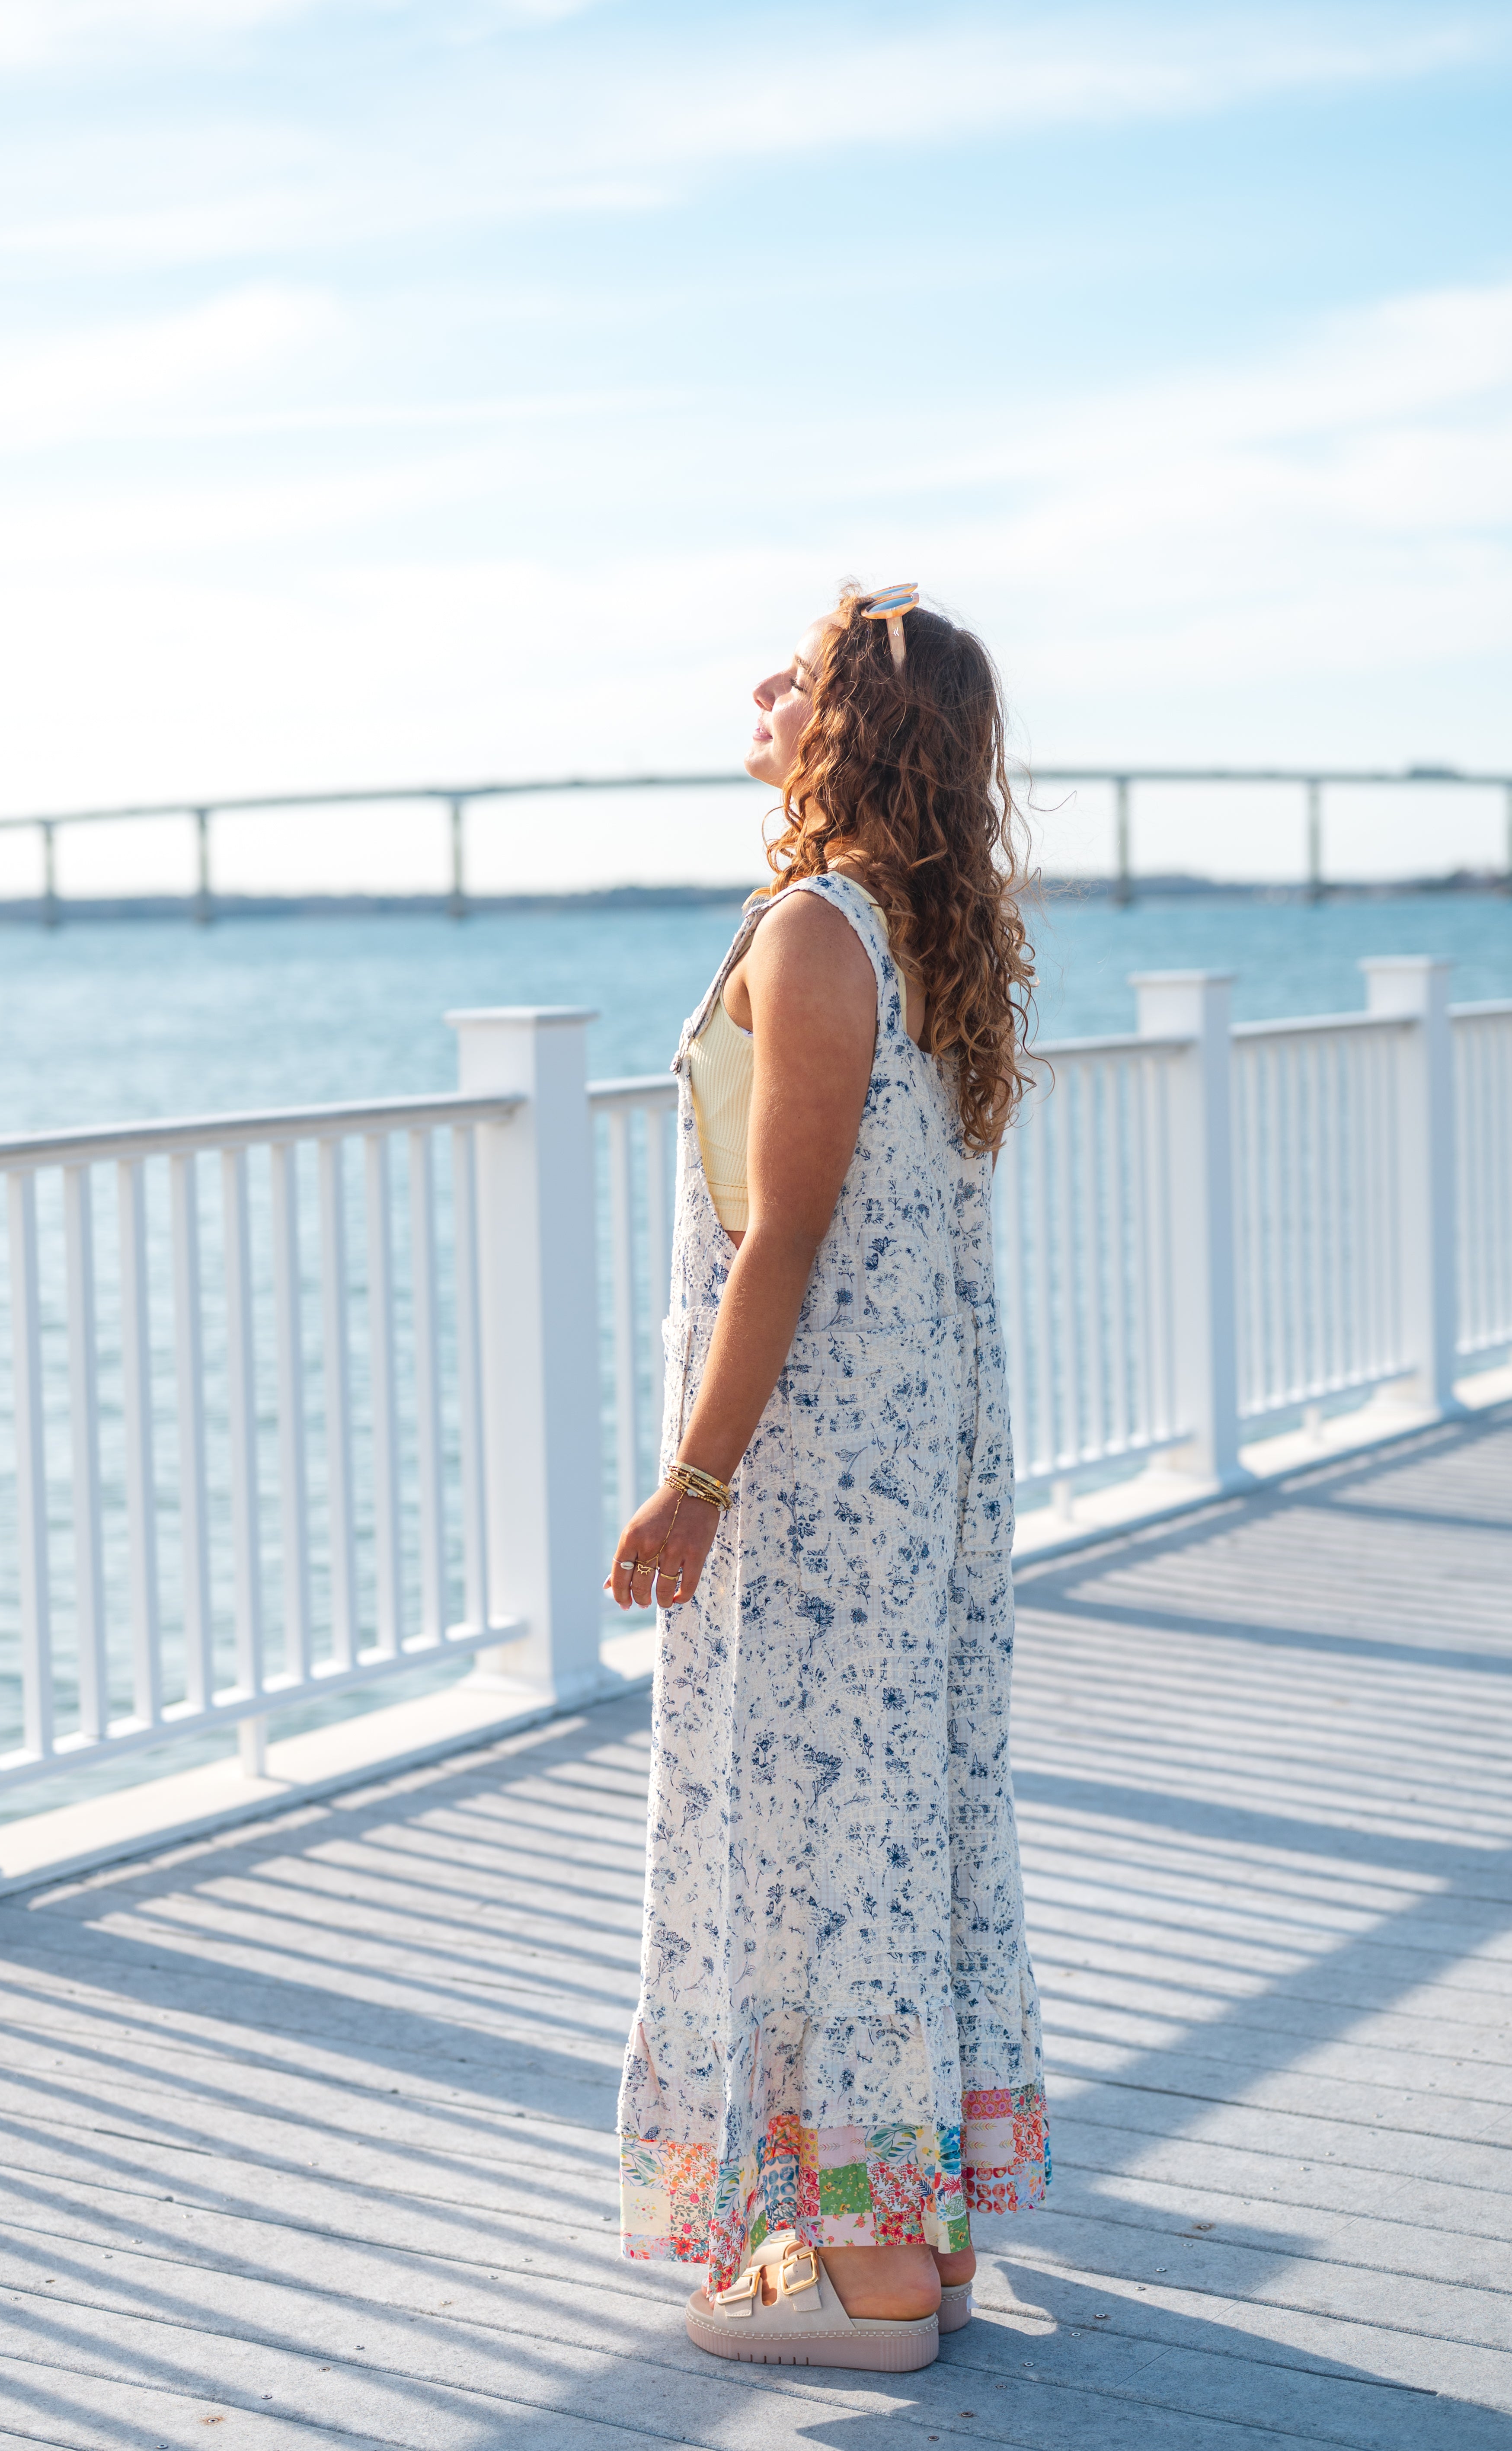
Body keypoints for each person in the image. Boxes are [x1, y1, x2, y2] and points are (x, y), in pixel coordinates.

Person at [610, 582, 1047, 2372]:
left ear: (854, 729)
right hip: (913, 1452)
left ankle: (865, 2283)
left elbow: (780, 1239)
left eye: (796, 674)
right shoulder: (928, 931)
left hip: (812, 1476)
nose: (763, 686)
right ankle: (915, 2235)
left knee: (812, 1837)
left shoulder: (813, 930)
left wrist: (694, 1482)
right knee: (889, 1825)